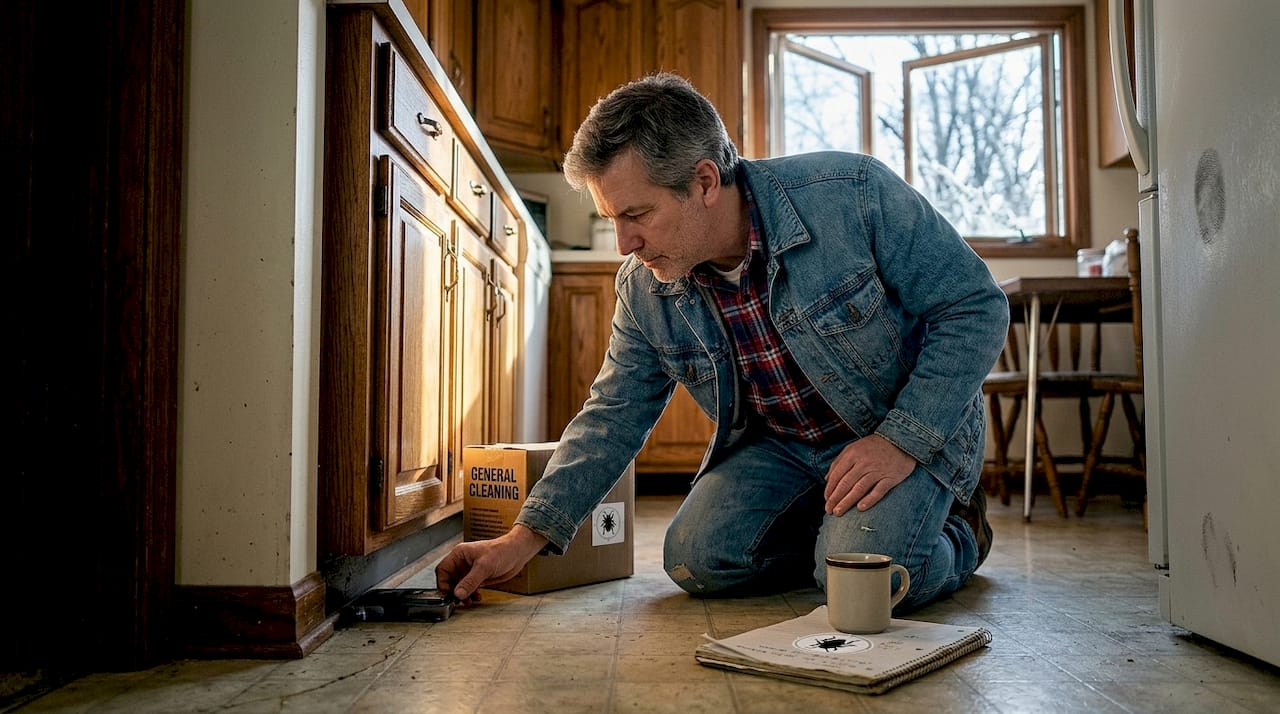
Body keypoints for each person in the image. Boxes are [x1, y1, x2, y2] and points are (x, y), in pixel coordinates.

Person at [436, 73, 1009, 612]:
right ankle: (834, 551)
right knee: (695, 561)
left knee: (862, 587)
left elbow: (975, 306)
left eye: (637, 214)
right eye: (613, 218)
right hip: (785, 447)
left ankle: (957, 531)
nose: (624, 243)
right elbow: (613, 415)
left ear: (705, 181)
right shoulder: (645, 289)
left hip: (899, 431)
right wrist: (521, 539)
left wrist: (899, 442)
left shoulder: (853, 195)